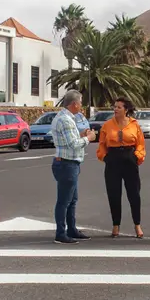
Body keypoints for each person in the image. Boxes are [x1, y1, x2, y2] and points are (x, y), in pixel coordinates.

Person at [50, 90, 96, 244]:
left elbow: (70, 140)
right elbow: (73, 144)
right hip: (66, 163)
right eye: (81, 102)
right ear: (74, 104)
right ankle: (61, 233)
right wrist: (88, 138)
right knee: (64, 200)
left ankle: (71, 229)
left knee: (72, 199)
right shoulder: (66, 120)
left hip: (69, 163)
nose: (81, 106)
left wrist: (81, 135)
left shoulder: (66, 118)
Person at [97, 97, 146, 238]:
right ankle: (115, 225)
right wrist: (105, 157)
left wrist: (137, 156)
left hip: (129, 159)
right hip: (113, 160)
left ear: (126, 109)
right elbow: (101, 145)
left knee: (134, 194)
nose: (115, 109)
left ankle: (137, 225)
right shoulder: (107, 125)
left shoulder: (134, 124)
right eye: (115, 107)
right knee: (114, 193)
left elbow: (141, 144)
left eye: (119, 107)